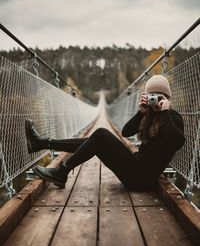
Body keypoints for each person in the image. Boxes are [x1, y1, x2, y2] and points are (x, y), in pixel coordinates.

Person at [25, 75, 185, 191]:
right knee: (94, 140)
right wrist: (141, 112)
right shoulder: (149, 115)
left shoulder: (172, 117)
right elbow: (126, 132)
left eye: (159, 96)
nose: (155, 100)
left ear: (167, 98)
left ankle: (61, 171)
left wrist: (164, 112)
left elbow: (176, 143)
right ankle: (43, 143)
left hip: (142, 178)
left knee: (101, 134)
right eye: (151, 96)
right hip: (137, 169)